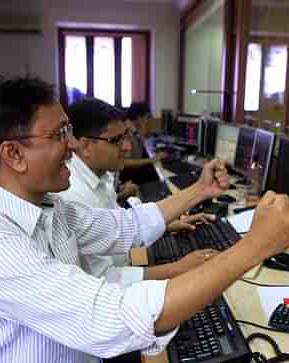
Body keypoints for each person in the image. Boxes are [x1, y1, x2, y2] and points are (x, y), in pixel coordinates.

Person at [0, 75, 289, 363]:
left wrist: (198, 191)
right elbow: (112, 318)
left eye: (68, 130)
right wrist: (254, 246)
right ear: (14, 154)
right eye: (58, 135)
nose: (72, 145)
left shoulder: (47, 207)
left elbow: (123, 228)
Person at [59, 96, 216, 281]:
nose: (126, 147)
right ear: (85, 146)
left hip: (128, 264)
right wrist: (176, 269)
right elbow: (104, 279)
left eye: (125, 137)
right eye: (116, 140)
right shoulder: (73, 195)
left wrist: (165, 224)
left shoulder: (101, 175)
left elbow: (120, 225)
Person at [117, 102, 166, 185]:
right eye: (146, 117)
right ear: (139, 117)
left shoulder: (133, 128)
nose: (147, 120)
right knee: (159, 177)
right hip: (129, 174)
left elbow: (140, 145)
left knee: (156, 172)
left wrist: (142, 127)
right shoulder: (126, 131)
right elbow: (125, 162)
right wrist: (151, 160)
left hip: (134, 169)